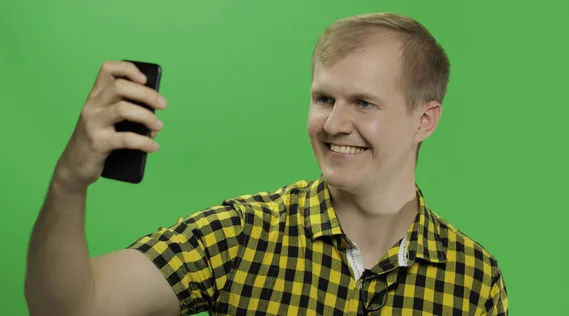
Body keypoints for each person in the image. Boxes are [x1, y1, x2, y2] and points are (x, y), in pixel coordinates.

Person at [24, 12, 508, 316]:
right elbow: (65, 308)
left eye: (363, 103)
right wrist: (69, 182)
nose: (334, 124)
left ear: (424, 120)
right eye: (323, 98)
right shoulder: (240, 234)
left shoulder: (475, 278)